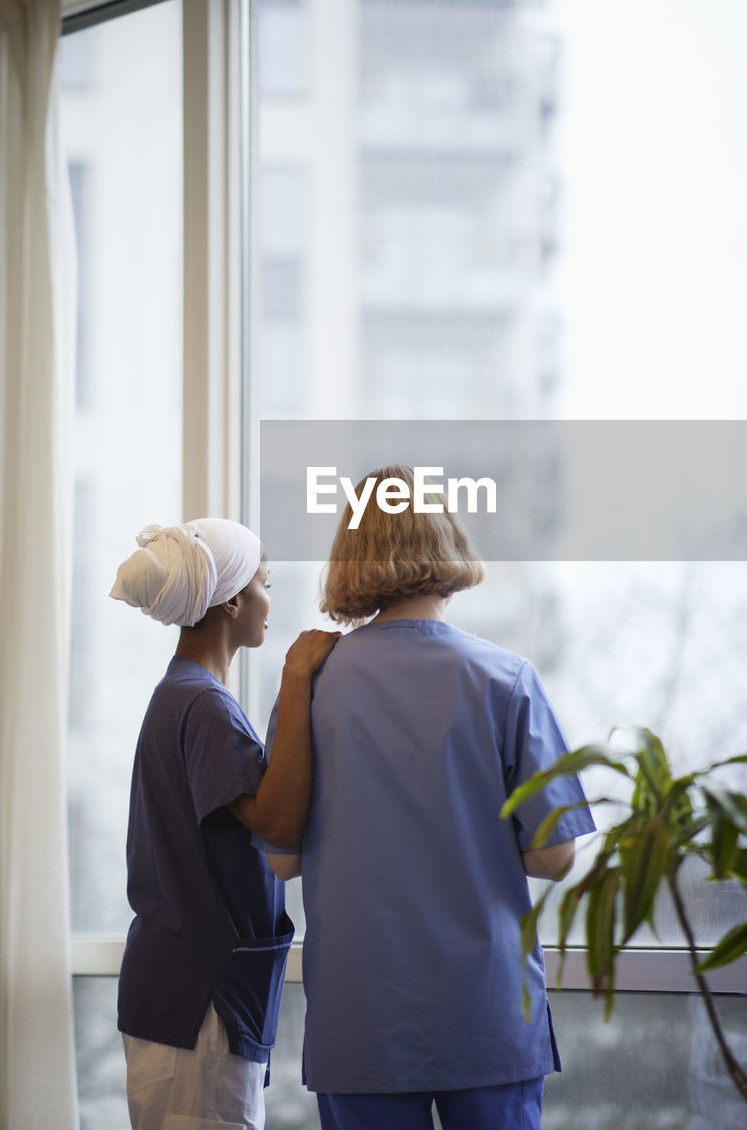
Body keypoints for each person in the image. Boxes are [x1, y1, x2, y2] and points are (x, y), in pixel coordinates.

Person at [261, 467, 596, 1130]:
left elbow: (281, 860)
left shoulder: (310, 688)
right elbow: (556, 856)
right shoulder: (506, 680)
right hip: (487, 1014)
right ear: (448, 544)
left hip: (362, 1022)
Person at [110, 517, 338, 1130]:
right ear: (232, 600)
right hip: (198, 1010)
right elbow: (275, 823)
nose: (271, 600)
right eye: (263, 584)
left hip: (181, 1004)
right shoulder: (204, 705)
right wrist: (296, 678)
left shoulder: (183, 693)